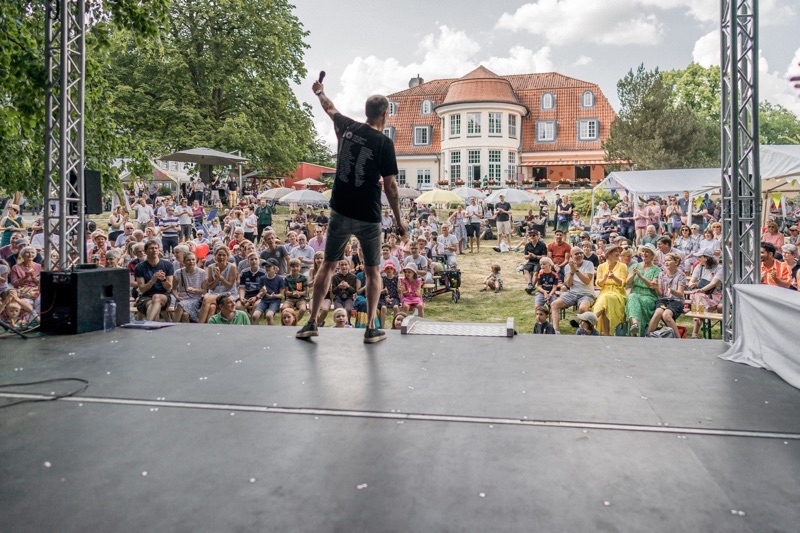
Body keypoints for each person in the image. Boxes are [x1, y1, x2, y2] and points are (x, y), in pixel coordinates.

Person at [295, 81, 406, 343]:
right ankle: (370, 328)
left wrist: (320, 91)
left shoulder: (346, 127)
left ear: (366, 112)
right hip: (368, 215)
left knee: (327, 266)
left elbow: (329, 107)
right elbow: (390, 186)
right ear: (385, 114)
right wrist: (399, 221)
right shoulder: (384, 143)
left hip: (340, 211)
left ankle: (311, 322)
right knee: (372, 271)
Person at [550, 247, 596, 332]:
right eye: (576, 254)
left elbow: (586, 281)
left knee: (582, 309)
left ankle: (582, 330)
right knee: (554, 304)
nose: (579, 255)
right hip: (572, 293)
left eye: (581, 253)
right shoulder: (568, 266)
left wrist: (576, 270)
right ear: (571, 256)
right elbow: (568, 284)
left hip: (587, 294)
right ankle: (556, 331)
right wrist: (571, 272)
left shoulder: (589, 264)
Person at [625, 244, 661, 337]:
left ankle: (634, 332)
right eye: (643, 251)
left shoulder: (656, 270)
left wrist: (641, 277)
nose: (644, 253)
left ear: (652, 255)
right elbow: (627, 282)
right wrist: (633, 275)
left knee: (636, 301)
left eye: (647, 252)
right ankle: (635, 325)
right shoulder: (635, 266)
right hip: (635, 292)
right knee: (632, 297)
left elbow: (652, 285)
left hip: (649, 296)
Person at [647, 253, 686, 338]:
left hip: (676, 300)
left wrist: (672, 291)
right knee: (658, 313)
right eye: (665, 261)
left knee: (666, 315)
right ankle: (648, 337)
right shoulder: (662, 274)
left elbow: (680, 294)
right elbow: (660, 294)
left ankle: (678, 339)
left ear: (676, 262)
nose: (666, 262)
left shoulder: (681, 275)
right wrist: (656, 287)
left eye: (669, 260)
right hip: (663, 300)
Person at [592, 244, 628, 336]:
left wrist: (614, 277)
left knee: (606, 299)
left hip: (618, 293)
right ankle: (605, 333)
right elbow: (598, 283)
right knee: (605, 301)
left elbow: (623, 283)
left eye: (618, 251)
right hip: (604, 291)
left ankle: (591, 320)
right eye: (615, 251)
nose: (618, 253)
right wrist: (604, 279)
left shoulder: (623, 266)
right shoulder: (601, 267)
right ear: (608, 255)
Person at [134, 241, 174, 321]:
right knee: (152, 307)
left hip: (163, 296)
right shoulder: (140, 267)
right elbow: (142, 289)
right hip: (146, 296)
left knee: (156, 297)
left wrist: (163, 280)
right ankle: (153, 329)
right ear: (145, 251)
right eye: (151, 248)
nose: (154, 250)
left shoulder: (168, 265)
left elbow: (168, 287)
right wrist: (153, 279)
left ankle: (149, 323)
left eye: (156, 248)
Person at [172, 252, 208, 323]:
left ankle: (173, 326)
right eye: (188, 260)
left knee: (180, 305)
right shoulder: (178, 273)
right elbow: (174, 289)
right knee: (185, 314)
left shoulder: (202, 272)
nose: (191, 262)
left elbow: (204, 291)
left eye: (193, 259)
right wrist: (177, 297)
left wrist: (195, 290)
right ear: (184, 261)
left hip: (195, 300)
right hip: (182, 299)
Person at [282, 258, 309, 323]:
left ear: (300, 267)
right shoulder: (287, 278)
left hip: (301, 298)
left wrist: (299, 293)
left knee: (302, 309)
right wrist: (293, 293)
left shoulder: (303, 278)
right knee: (284, 308)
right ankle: (286, 322)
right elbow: (286, 292)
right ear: (290, 267)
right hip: (290, 298)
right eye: (293, 267)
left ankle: (294, 322)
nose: (295, 268)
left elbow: (305, 292)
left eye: (297, 266)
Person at [378, 262, 400, 328]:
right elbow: (380, 291)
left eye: (391, 268)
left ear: (394, 270)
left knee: (396, 307)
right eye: (387, 268)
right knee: (383, 308)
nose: (389, 270)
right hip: (384, 298)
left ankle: (395, 326)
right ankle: (382, 327)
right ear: (385, 270)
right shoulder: (383, 279)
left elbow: (398, 290)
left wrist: (400, 289)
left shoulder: (397, 278)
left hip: (394, 297)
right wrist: (383, 291)